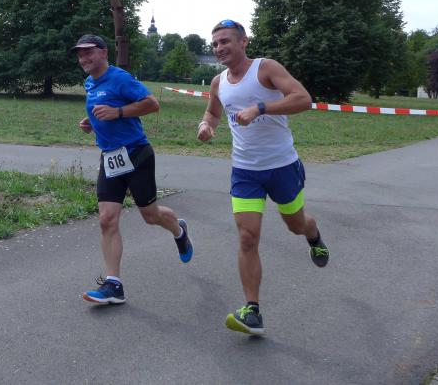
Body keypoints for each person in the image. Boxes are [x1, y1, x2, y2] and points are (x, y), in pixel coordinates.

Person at [196, 19, 329, 335]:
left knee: (295, 224)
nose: (219, 48)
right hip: (245, 171)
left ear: (244, 42)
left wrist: (260, 108)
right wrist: (206, 126)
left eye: (225, 41)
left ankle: (313, 235)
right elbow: (213, 112)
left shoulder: (265, 68)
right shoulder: (218, 82)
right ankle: (252, 311)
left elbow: (303, 99)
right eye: (215, 44)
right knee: (247, 236)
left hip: (282, 166)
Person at [72, 34, 193, 305]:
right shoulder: (90, 82)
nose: (83, 58)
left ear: (104, 52)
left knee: (150, 215)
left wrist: (117, 113)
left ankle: (179, 230)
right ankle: (114, 285)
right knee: (107, 218)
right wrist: (92, 122)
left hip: (137, 154)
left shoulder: (120, 78)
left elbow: (152, 104)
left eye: (88, 52)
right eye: (80, 54)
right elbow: (103, 108)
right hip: (110, 158)